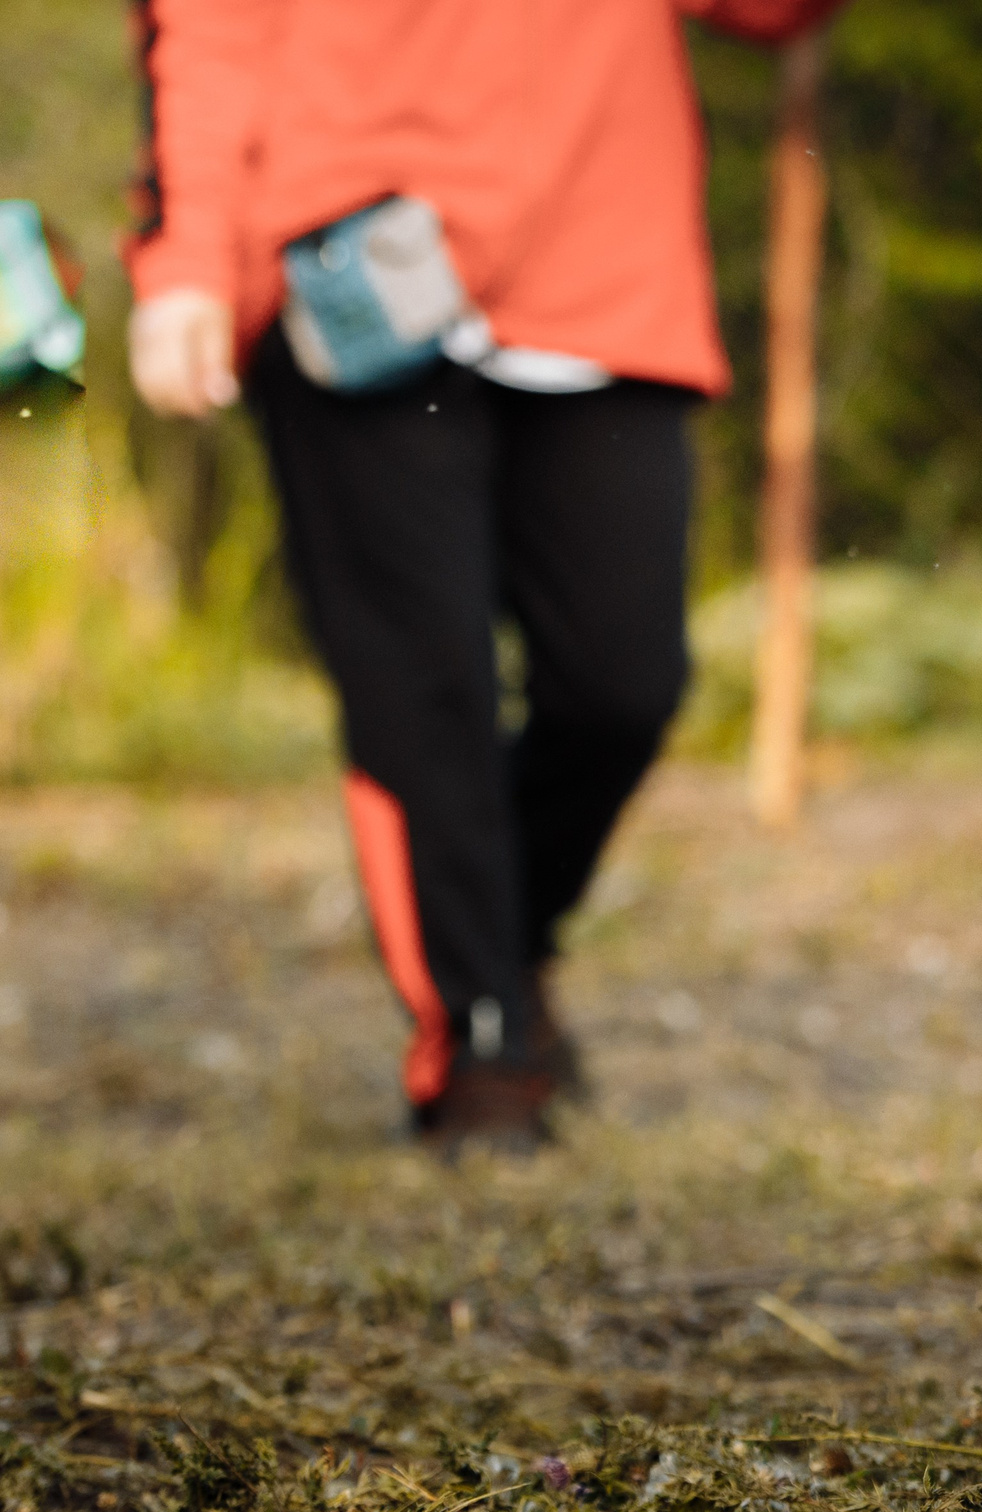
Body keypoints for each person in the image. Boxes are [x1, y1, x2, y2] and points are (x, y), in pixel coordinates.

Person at [125, 0, 840, 1148]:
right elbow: (205, 31)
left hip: (601, 262)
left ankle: (501, 940)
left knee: (621, 684)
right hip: (345, 265)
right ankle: (476, 1035)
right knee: (423, 692)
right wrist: (186, 262)